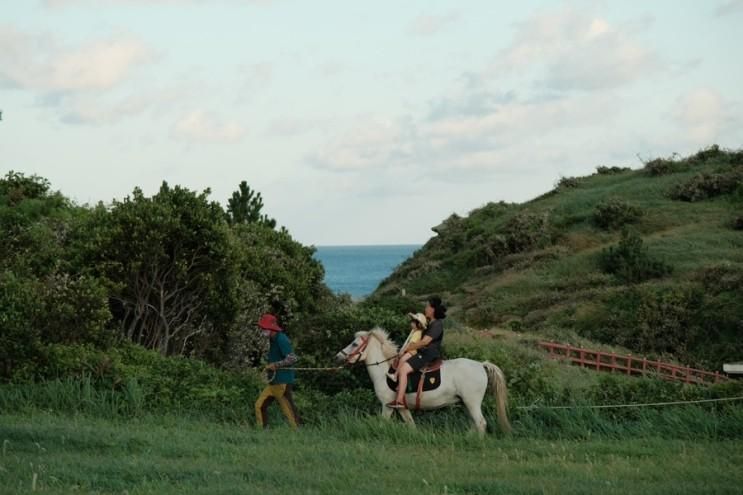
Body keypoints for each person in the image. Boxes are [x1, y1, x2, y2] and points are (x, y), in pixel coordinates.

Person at [387, 297, 447, 409]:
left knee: (404, 368)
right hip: (422, 352)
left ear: (432, 309)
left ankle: (399, 400)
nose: (425, 308)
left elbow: (425, 342)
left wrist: (408, 347)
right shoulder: (430, 323)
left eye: (427, 306)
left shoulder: (437, 324)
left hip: (428, 354)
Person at [254, 313, 301, 428]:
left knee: (288, 410)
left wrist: (276, 365)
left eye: (263, 328)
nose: (262, 330)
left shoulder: (282, 339)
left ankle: (298, 432)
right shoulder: (272, 339)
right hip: (274, 381)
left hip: (283, 381)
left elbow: (292, 358)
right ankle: (262, 431)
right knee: (259, 405)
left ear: (271, 328)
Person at [392, 312, 428, 380]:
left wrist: (403, 351)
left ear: (418, 324)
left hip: (412, 351)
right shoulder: (413, 331)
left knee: (402, 360)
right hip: (409, 350)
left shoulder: (417, 333)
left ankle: (395, 375)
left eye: (413, 322)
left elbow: (410, 344)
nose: (411, 323)